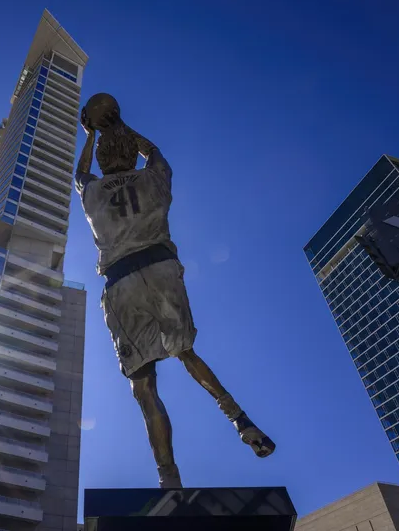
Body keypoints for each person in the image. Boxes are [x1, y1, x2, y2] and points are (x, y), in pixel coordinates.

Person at [74, 95, 275, 488]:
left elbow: (79, 175)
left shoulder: (93, 191)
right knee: (186, 352)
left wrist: (90, 134)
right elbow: (156, 153)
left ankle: (169, 478)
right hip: (161, 267)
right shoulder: (152, 177)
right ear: (132, 154)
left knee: (144, 387)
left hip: (121, 282)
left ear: (101, 159)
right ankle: (238, 417)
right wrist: (121, 126)